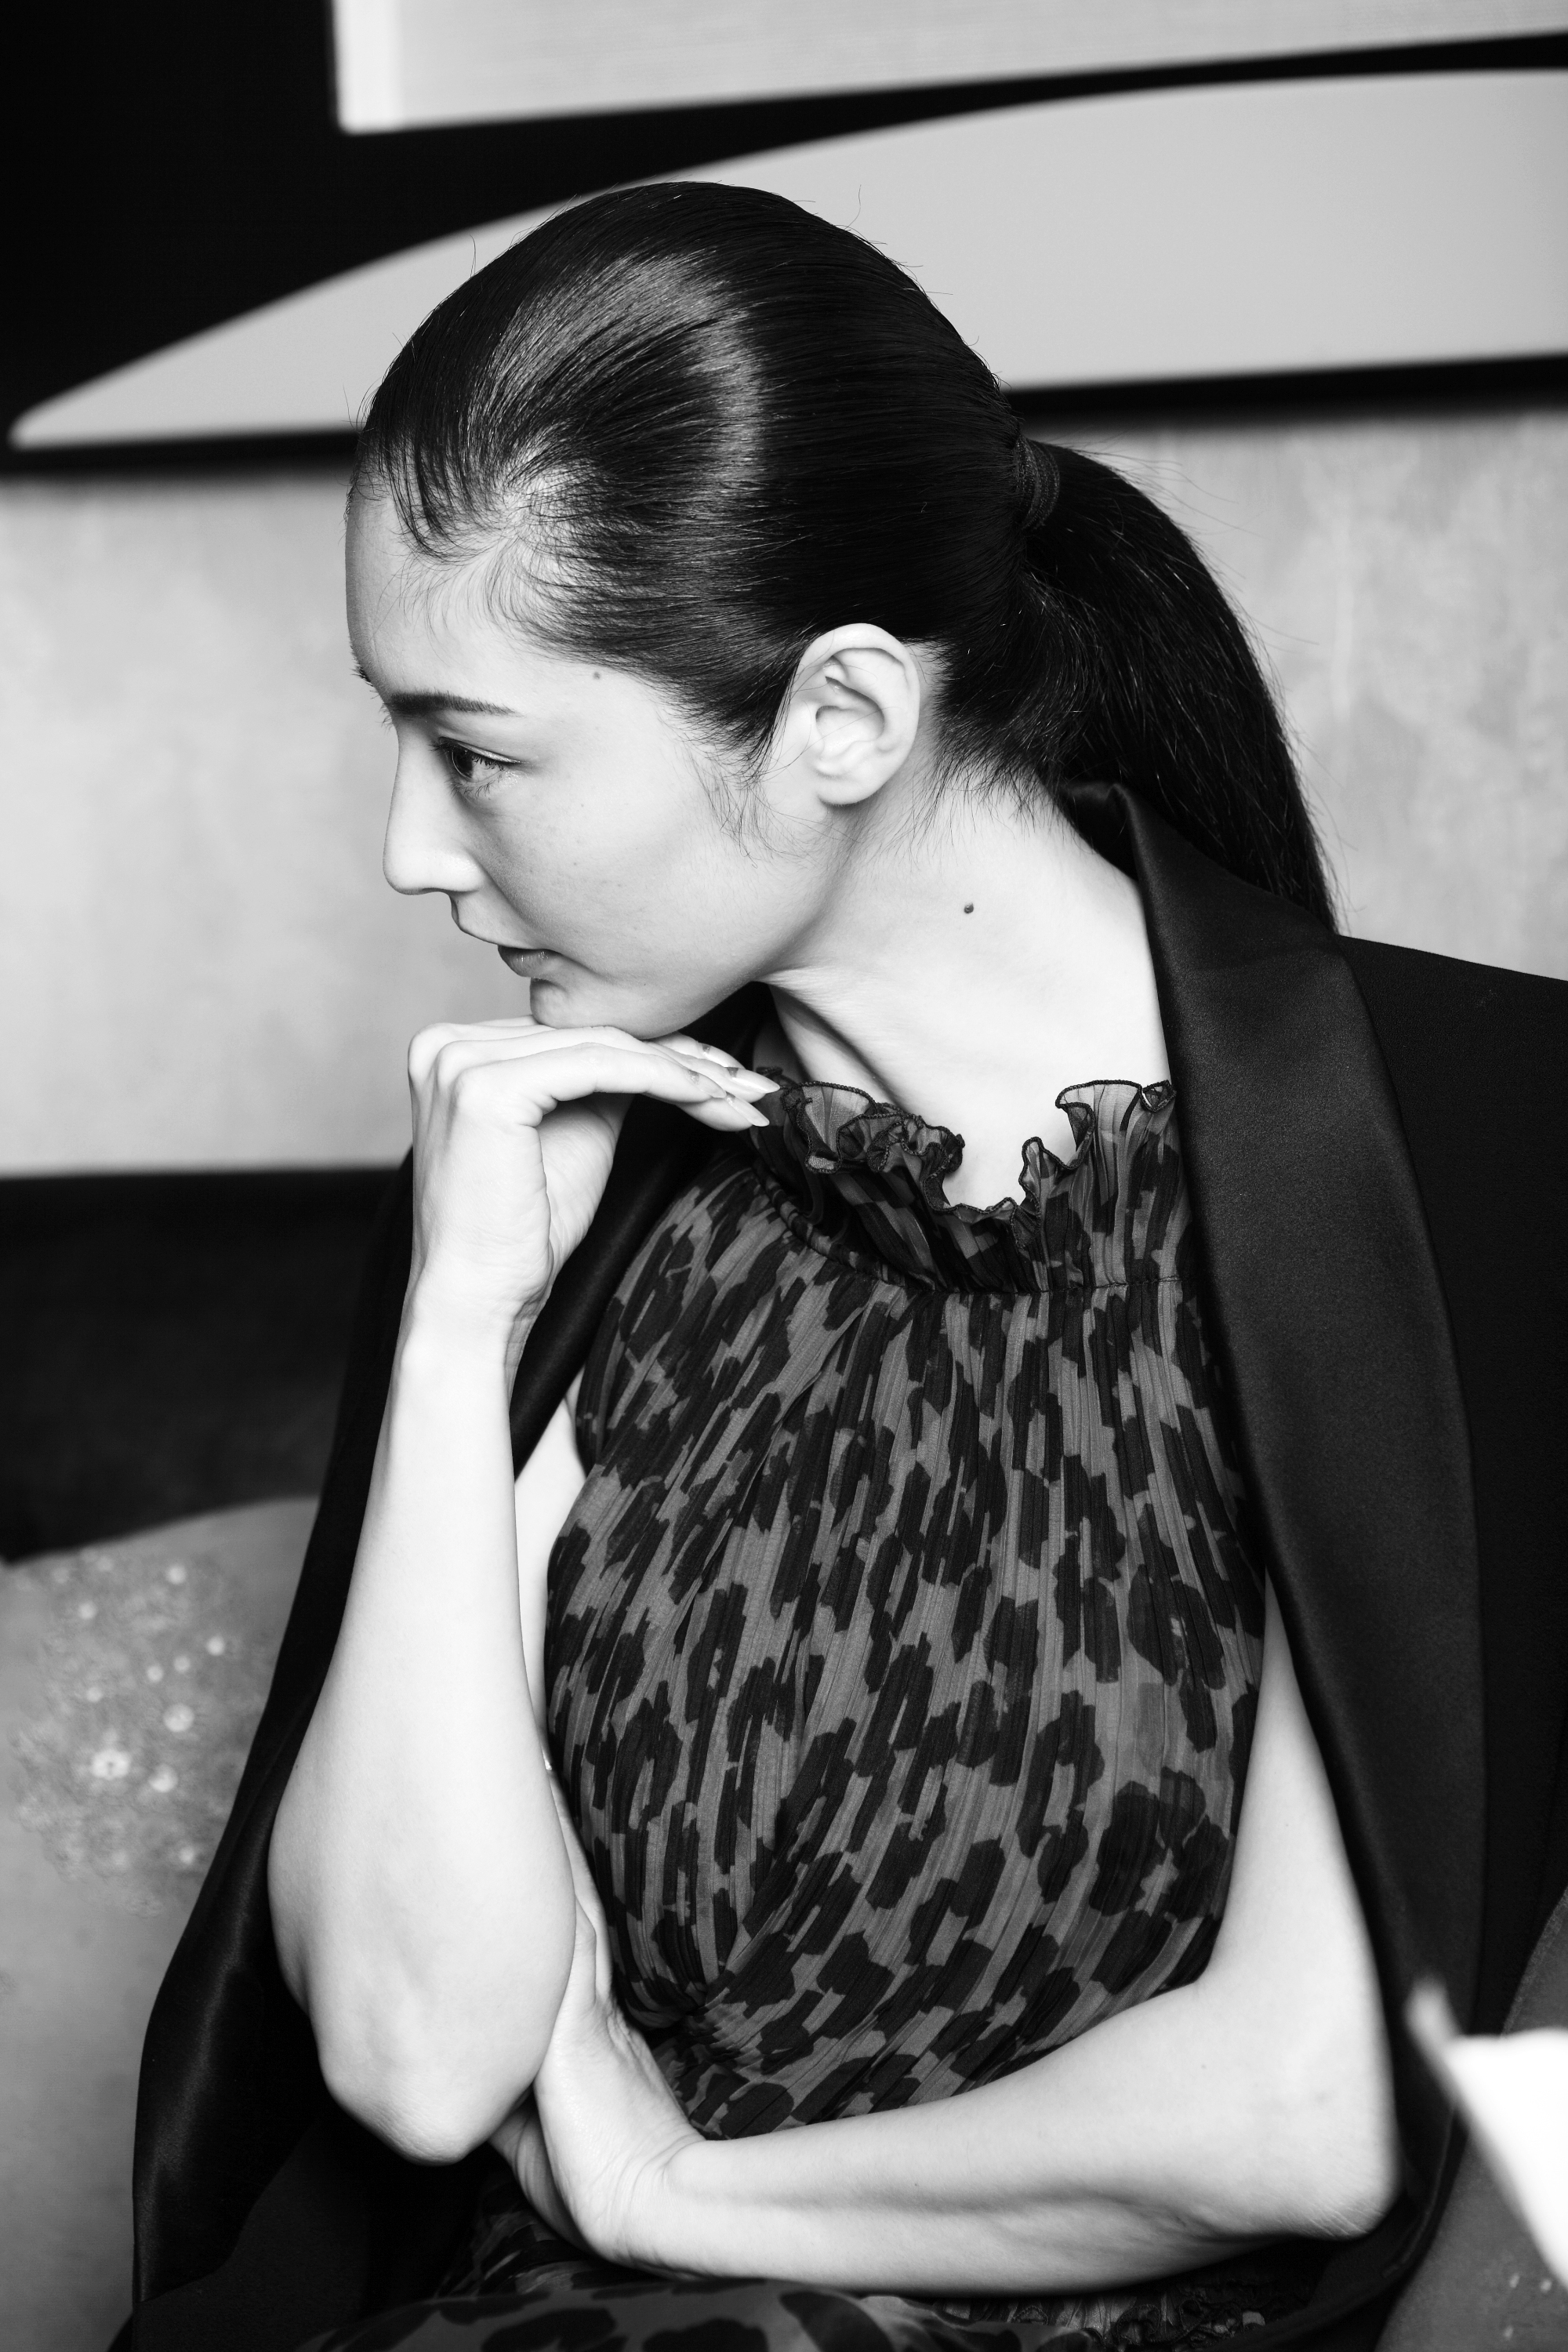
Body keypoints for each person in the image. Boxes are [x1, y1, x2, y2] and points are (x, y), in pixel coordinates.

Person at [122, 184, 1568, 2352]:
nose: (411, 850)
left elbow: (1308, 2113)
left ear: (843, 717)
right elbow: (416, 2057)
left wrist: (680, 2193)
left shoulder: (1440, 1147)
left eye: (482, 752)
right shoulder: (577, 1175)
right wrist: (455, 1322)